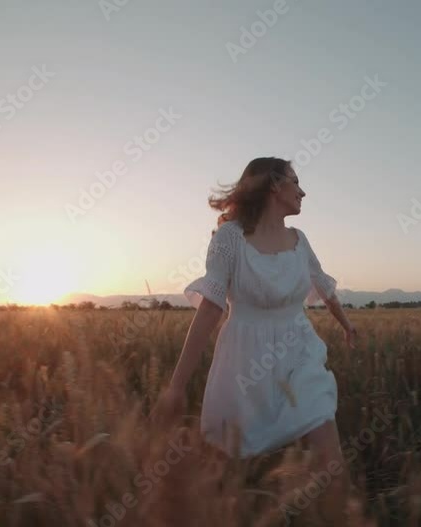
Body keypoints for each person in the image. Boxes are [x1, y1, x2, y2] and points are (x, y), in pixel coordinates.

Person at [151, 156, 359, 524]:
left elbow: (323, 286)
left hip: (299, 353)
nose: (303, 191)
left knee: (327, 442)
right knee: (226, 467)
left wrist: (346, 325)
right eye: (296, 181)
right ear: (274, 185)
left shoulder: (300, 240)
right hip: (243, 362)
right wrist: (176, 386)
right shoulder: (230, 239)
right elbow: (211, 307)